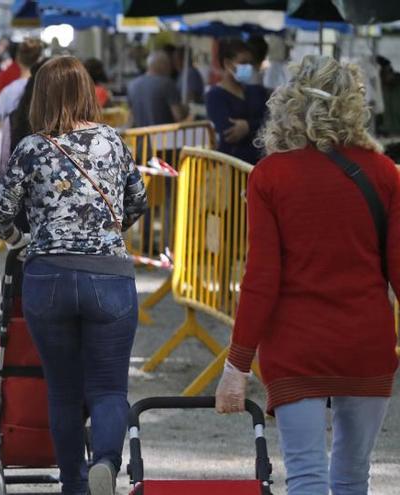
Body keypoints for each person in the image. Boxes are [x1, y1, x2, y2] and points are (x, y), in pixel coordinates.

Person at [215, 55, 400, 495]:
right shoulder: (384, 174)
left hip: (297, 347)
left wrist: (236, 365)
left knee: (306, 478)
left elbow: (261, 279)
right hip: (366, 344)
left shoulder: (270, 176)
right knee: (355, 478)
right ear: (356, 105)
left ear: (291, 104)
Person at [0, 56, 147, 495]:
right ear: (86, 91)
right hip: (110, 277)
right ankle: (107, 462)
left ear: (39, 94)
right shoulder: (112, 141)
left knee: (62, 390)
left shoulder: (31, 147)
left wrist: (23, 239)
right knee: (109, 388)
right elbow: (137, 201)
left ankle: (74, 485)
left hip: (48, 277)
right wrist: (106, 236)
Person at [205, 38, 268, 164]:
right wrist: (257, 125)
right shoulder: (215, 95)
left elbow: (271, 122)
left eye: (251, 63)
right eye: (243, 63)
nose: (248, 67)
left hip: (259, 163)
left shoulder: (256, 91)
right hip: (232, 165)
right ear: (228, 63)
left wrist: (247, 126)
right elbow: (229, 133)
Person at [127, 50, 188, 127]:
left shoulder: (132, 85)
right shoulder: (167, 84)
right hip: (164, 137)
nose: (170, 68)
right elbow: (178, 115)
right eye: (168, 64)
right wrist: (186, 109)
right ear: (162, 65)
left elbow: (131, 118)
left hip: (140, 137)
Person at [0, 38, 42, 119]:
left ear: (18, 58)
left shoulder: (6, 91)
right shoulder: (45, 89)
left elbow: (0, 125)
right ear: (39, 59)